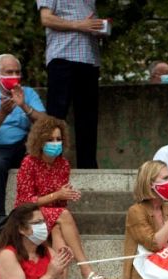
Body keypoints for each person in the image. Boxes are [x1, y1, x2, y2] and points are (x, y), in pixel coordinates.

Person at [16, 115, 101, 279]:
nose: (55, 143)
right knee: (64, 215)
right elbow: (25, 201)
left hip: (51, 215)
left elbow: (60, 203)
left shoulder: (63, 164)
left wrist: (66, 194)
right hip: (27, 214)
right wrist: (58, 195)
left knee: (57, 230)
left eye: (58, 139)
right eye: (50, 139)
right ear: (40, 141)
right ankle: (86, 269)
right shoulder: (29, 162)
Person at [0, 56, 46, 230]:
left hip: (23, 145)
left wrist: (24, 107)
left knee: (40, 157)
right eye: (9, 72)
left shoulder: (28, 93)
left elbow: (46, 123)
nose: (14, 75)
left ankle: (40, 214)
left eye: (17, 72)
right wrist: (2, 114)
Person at [38, 0, 104, 169]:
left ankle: (88, 166)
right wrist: (80, 25)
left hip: (89, 59)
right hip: (63, 57)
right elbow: (46, 19)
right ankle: (50, 165)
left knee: (88, 118)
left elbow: (88, 24)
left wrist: (98, 28)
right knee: (56, 116)